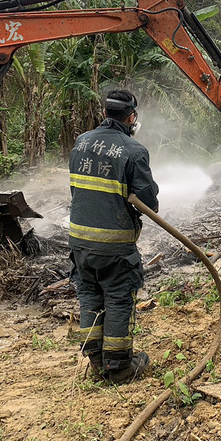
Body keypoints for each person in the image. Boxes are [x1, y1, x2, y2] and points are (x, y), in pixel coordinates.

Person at [68, 89, 159, 384]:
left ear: (105, 113)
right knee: (119, 298)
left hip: (80, 241)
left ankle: (97, 362)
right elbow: (148, 200)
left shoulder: (81, 143)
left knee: (89, 296)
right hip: (114, 246)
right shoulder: (133, 150)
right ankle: (119, 369)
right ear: (131, 117)